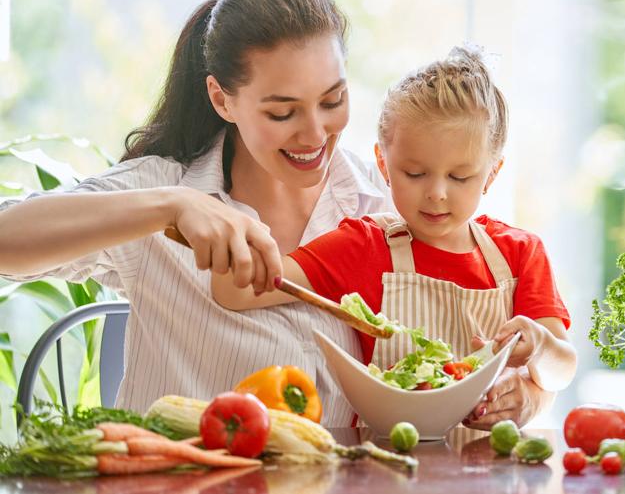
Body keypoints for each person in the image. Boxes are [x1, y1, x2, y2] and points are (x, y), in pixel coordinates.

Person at [0, 0, 392, 426]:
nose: (314, 134)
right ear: (222, 100)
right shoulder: (164, 192)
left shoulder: (380, 203)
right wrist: (171, 206)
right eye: (282, 112)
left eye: (332, 101)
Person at [212, 45, 577, 429]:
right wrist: (218, 223)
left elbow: (562, 370)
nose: (436, 193)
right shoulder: (363, 246)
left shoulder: (520, 253)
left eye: (459, 177)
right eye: (415, 174)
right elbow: (235, 292)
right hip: (385, 459)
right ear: (384, 164)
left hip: (491, 464)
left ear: (492, 174)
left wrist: (536, 361)